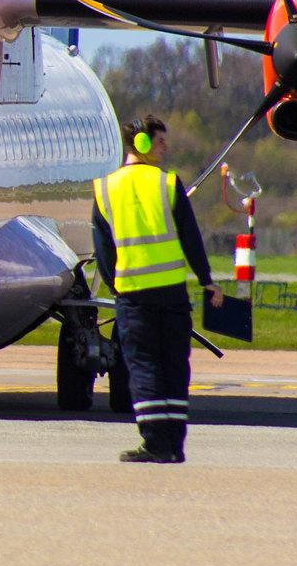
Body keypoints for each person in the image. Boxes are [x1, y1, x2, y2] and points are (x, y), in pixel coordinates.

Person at [91, 115, 225, 464]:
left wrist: (115, 286)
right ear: (143, 144)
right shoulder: (168, 184)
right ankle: (175, 444)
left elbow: (104, 250)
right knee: (175, 367)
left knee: (144, 367)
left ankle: (154, 443)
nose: (165, 148)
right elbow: (190, 237)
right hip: (171, 293)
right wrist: (205, 278)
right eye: (161, 142)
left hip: (133, 296)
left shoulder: (104, 189)